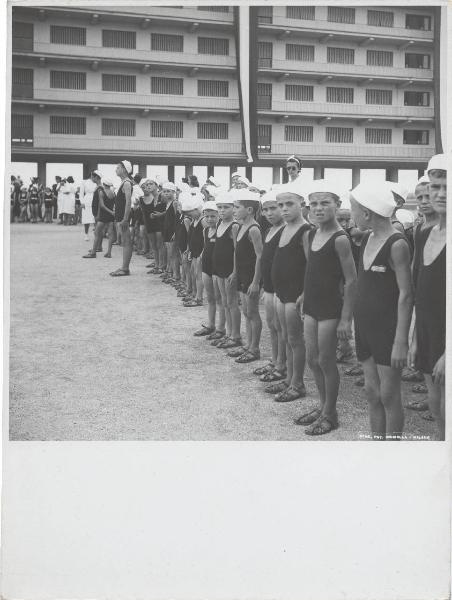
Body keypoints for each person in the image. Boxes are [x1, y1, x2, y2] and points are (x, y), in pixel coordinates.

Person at [350, 182, 413, 441]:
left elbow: (407, 295)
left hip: (388, 331)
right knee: (371, 392)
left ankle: (393, 452)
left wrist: (401, 341)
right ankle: (377, 447)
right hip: (365, 327)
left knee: (389, 395)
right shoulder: (367, 238)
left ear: (366, 214)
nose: (351, 215)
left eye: (353, 210)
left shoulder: (397, 243)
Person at [296, 180, 357, 435]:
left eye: (325, 203)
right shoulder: (310, 234)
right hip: (311, 304)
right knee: (312, 359)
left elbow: (352, 280)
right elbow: (312, 269)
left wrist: (346, 320)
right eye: (314, 204)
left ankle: (331, 414)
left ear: (338, 205)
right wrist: (303, 293)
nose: (318, 208)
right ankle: (322, 407)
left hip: (331, 308)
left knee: (326, 360)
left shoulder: (340, 239)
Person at [408, 154, 447, 440]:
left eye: (448, 186)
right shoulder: (424, 233)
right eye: (436, 186)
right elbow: (420, 290)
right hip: (428, 332)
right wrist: (414, 334)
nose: (441, 194)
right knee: (436, 408)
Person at [269, 181, 312, 402]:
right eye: (281, 205)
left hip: (294, 294)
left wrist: (305, 293)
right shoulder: (285, 228)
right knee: (285, 336)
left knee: (295, 339)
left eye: (289, 204)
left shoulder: (306, 230)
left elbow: (311, 265)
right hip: (281, 291)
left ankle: (298, 383)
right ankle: (288, 378)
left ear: (302, 204)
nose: (284, 209)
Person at [255, 189, 286, 382]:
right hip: (269, 286)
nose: (269, 213)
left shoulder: (285, 230)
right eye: (265, 210)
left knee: (281, 328)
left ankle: (282, 364)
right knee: (272, 326)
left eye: (273, 208)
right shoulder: (268, 230)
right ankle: (275, 360)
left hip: (280, 287)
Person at [229, 189, 263, 363]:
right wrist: (235, 272)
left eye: (237, 207)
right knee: (246, 311)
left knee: (253, 312)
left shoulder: (254, 229)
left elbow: (260, 256)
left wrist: (256, 282)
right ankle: (248, 345)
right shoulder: (241, 226)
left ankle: (254, 348)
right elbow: (237, 252)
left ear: (249, 210)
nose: (234, 210)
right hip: (242, 274)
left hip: (251, 276)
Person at [211, 190, 241, 347]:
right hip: (219, 268)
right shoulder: (219, 223)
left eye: (226, 207)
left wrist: (235, 271)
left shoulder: (234, 226)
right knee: (224, 302)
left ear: (233, 208)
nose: (222, 210)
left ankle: (236, 335)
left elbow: (237, 250)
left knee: (232, 302)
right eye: (220, 207)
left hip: (229, 269)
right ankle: (229, 333)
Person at [194, 200, 226, 337]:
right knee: (210, 298)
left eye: (213, 216)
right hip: (206, 267)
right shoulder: (205, 230)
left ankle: (221, 328)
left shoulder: (221, 230)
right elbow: (205, 247)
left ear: (218, 216)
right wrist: (200, 258)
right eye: (207, 216)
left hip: (217, 268)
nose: (209, 219)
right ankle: (210, 324)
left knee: (220, 299)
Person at [110, 160, 133, 277]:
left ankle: (125, 268)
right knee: (124, 242)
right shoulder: (123, 183)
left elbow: (128, 203)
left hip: (124, 218)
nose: (116, 170)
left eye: (118, 168)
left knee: (127, 242)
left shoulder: (127, 183)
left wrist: (125, 219)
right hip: (120, 217)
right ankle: (124, 267)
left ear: (124, 169)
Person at [182, 191, 205, 307]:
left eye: (190, 213)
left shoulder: (203, 220)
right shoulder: (194, 220)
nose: (189, 215)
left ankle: (199, 298)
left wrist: (203, 253)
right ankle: (195, 294)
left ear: (197, 210)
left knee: (198, 275)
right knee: (192, 273)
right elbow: (190, 237)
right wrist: (188, 248)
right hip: (194, 251)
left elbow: (208, 237)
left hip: (200, 252)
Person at [140, 177, 166, 275]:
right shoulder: (144, 199)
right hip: (149, 224)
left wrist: (160, 215)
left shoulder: (162, 196)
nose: (148, 186)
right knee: (153, 246)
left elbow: (169, 209)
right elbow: (144, 214)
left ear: (156, 185)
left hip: (160, 224)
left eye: (151, 184)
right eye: (147, 185)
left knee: (160, 245)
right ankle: (156, 265)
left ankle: (162, 266)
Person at [161, 181, 180, 286]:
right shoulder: (167, 203)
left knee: (174, 254)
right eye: (164, 191)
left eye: (168, 191)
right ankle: (171, 273)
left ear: (174, 192)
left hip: (173, 232)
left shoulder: (175, 203)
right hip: (167, 231)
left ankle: (176, 275)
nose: (166, 193)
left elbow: (178, 218)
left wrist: (176, 232)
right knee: (170, 254)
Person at [79, 174, 97, 241]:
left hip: (95, 200)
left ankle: (96, 234)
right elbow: (81, 194)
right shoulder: (84, 182)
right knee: (86, 219)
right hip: (86, 201)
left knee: (96, 218)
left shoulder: (97, 182)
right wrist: (82, 202)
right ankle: (86, 234)